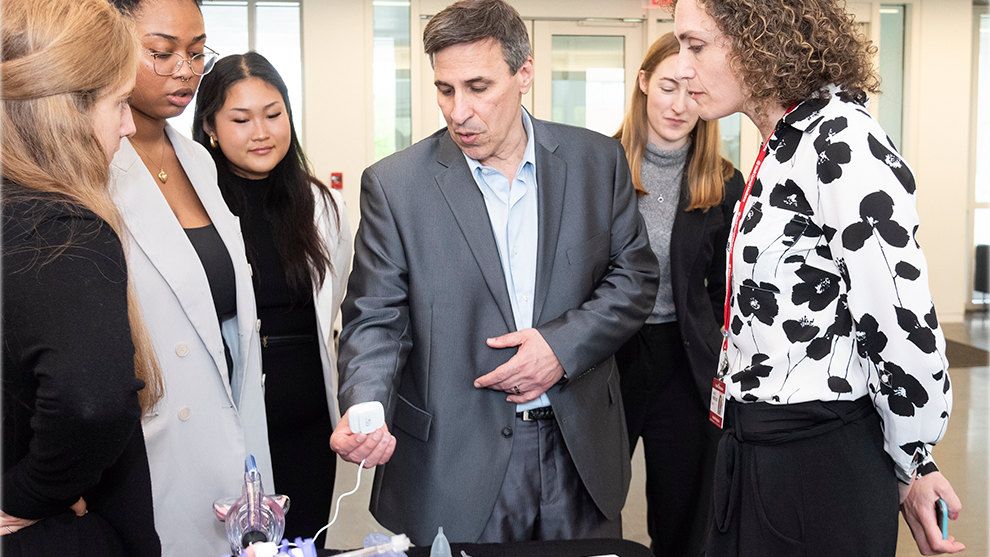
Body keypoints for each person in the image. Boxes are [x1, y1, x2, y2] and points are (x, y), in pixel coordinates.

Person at [328, 0, 659, 546]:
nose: (459, 111)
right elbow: (373, 318)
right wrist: (365, 401)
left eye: (478, 87)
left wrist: (560, 348)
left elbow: (633, 279)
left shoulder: (597, 162)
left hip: (578, 451)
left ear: (524, 72)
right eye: (445, 89)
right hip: (453, 460)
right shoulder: (396, 187)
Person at [670, 0, 964, 555]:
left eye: (697, 45)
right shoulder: (785, 139)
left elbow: (899, 320)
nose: (682, 67)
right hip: (759, 447)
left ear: (757, 39)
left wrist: (914, 460)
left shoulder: (839, 140)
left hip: (817, 463)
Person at [107, 1, 273, 555]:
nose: (186, 70)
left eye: (198, 52)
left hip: (230, 422)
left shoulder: (198, 162)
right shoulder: (90, 165)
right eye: (161, 53)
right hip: (150, 444)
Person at [1, 0, 163, 555]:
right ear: (63, 111)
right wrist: (31, 494)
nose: (129, 124)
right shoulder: (60, 230)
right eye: (119, 103)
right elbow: (92, 401)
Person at [192, 52, 353, 545]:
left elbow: (338, 303)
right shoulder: (197, 208)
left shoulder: (322, 204)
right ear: (211, 128)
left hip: (309, 423)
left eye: (273, 113)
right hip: (229, 422)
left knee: (305, 543)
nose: (261, 131)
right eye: (240, 119)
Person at [612, 31, 744, 557]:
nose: (679, 105)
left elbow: (724, 285)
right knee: (592, 502)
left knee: (681, 511)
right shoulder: (600, 168)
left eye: (693, 92)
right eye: (668, 86)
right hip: (610, 357)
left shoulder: (725, 182)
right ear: (644, 83)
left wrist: (713, 342)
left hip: (685, 362)